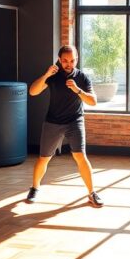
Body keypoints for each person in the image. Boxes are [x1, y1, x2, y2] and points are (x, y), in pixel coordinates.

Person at [27, 45, 103, 208]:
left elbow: (93, 101)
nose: (69, 64)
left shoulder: (82, 77)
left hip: (75, 121)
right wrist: (46, 74)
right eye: (65, 61)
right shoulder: (53, 76)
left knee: (81, 157)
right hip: (53, 122)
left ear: (77, 59)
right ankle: (34, 188)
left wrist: (78, 90)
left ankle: (92, 193)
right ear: (60, 60)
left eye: (72, 60)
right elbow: (33, 92)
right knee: (43, 159)